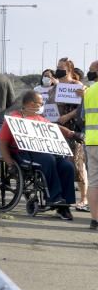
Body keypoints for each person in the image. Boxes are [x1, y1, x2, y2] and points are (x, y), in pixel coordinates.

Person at [0, 90, 77, 220]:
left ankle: (64, 205)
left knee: (66, 166)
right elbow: (2, 143)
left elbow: (54, 127)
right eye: (40, 103)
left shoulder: (40, 119)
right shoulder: (14, 119)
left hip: (42, 151)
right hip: (22, 153)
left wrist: (70, 133)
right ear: (30, 103)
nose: (42, 105)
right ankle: (54, 197)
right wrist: (9, 163)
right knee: (48, 160)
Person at [50, 57, 88, 211]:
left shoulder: (77, 85)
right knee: (60, 161)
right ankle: (62, 195)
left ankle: (84, 198)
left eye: (61, 67)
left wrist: (68, 116)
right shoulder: (56, 86)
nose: (58, 69)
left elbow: (82, 107)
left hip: (73, 128)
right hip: (57, 126)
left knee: (77, 163)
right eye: (57, 66)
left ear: (70, 69)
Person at [82, 60, 98, 229]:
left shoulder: (89, 91)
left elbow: (84, 117)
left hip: (92, 141)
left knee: (93, 182)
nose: (89, 73)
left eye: (91, 70)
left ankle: (95, 220)